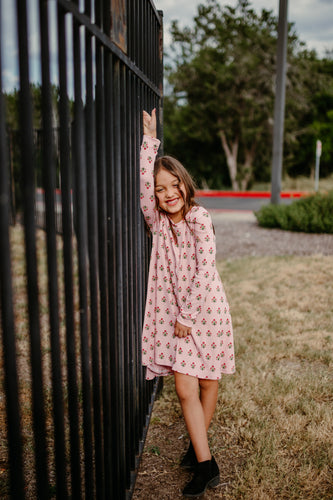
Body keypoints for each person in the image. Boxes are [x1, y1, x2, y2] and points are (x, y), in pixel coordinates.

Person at [140, 109, 235, 497]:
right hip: (180, 321)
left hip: (206, 314)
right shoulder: (159, 223)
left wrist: (189, 315)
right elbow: (145, 190)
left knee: (209, 383)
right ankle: (205, 464)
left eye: (172, 184)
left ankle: (197, 447)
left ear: (184, 183)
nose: (167, 194)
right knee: (184, 390)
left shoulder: (199, 218)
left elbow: (205, 270)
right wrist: (150, 141)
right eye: (161, 189)